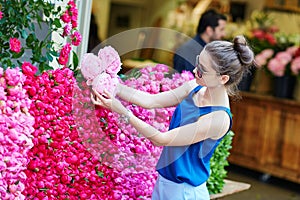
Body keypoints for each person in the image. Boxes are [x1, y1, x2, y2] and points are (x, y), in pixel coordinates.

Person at [91, 35, 255, 200]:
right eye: (198, 62)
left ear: (223, 78)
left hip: (185, 192)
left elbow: (162, 139)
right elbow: (151, 100)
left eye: (202, 70)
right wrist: (114, 86)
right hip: (165, 182)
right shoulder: (195, 87)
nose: (194, 71)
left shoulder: (218, 119)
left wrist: (122, 112)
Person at [173, 9, 227, 73]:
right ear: (209, 30)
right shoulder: (188, 51)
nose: (224, 34)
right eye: (221, 29)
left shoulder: (209, 49)